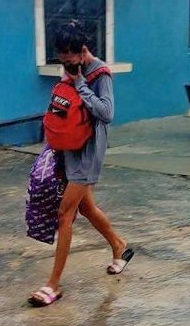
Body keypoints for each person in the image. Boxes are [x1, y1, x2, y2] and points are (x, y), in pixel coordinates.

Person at [28, 22, 133, 308]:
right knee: (86, 208)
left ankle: (53, 285)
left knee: (65, 213)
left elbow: (107, 113)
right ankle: (118, 245)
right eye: (61, 61)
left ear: (83, 51)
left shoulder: (100, 74)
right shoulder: (69, 69)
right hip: (68, 149)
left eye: (71, 59)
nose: (67, 65)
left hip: (88, 154)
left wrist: (81, 85)